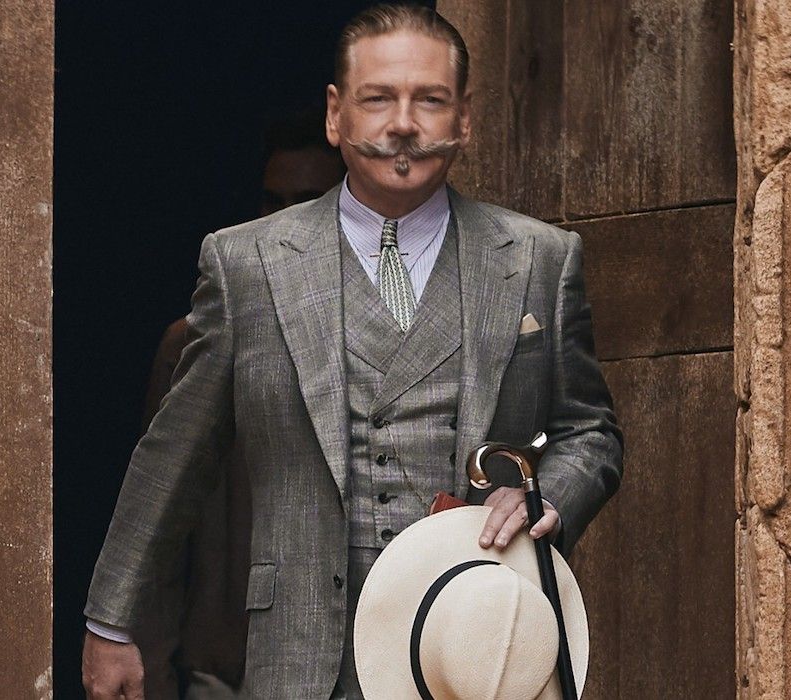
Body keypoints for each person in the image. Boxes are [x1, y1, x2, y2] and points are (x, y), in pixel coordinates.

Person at [83, 5, 623, 699]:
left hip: (471, 641)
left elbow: (590, 431)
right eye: (379, 99)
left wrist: (549, 495)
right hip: (303, 656)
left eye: (429, 100)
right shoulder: (248, 264)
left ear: (463, 119)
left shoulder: (541, 261)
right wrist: (112, 621)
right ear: (337, 116)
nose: (403, 122)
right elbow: (173, 456)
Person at [132, 113, 347, 699]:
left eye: (308, 200)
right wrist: (149, 667)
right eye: (272, 200)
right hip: (221, 670)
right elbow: (159, 519)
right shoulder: (193, 344)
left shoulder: (382, 343)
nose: (285, 220)